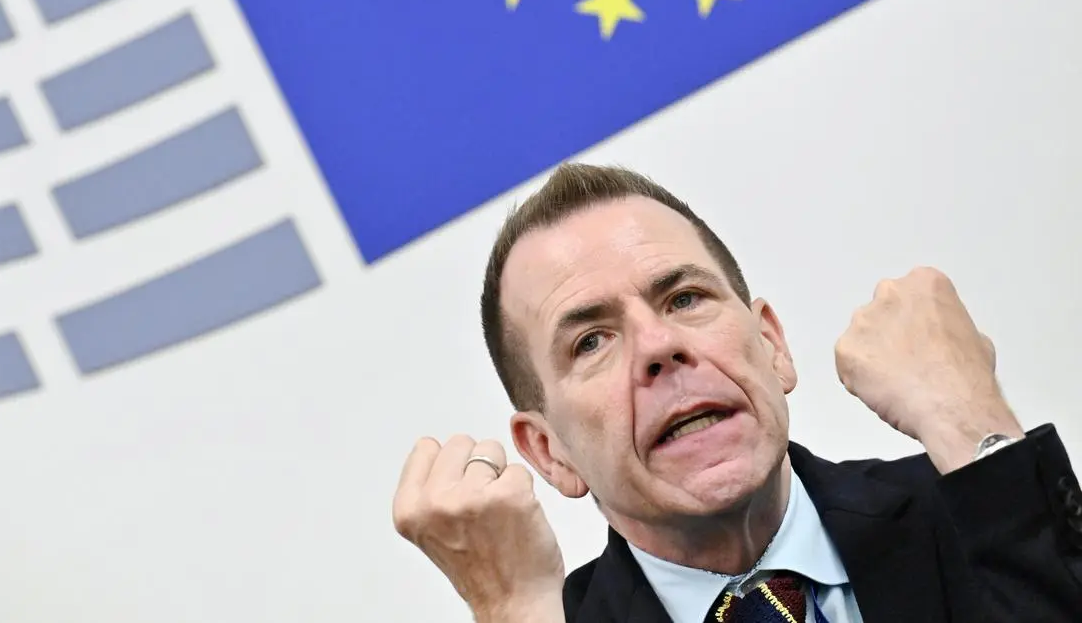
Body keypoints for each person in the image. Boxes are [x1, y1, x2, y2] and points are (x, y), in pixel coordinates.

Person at [391, 163, 1082, 623]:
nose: (658, 345)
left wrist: (971, 422)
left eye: (685, 298)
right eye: (592, 341)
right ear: (550, 453)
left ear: (772, 345)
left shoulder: (980, 507)